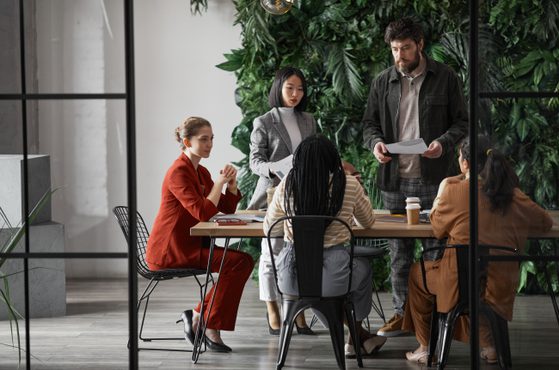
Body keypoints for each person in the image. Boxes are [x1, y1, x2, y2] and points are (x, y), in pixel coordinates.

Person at [401, 136, 554, 364]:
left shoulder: (454, 191)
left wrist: (444, 187)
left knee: (419, 273)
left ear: (465, 164)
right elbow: (545, 222)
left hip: (460, 285)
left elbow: (437, 227)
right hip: (499, 284)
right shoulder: (511, 195)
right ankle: (491, 346)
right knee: (477, 276)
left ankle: (425, 347)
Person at [362, 17, 469, 337]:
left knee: (436, 251)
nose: (399, 56)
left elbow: (462, 123)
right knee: (399, 253)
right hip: (395, 181)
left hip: (436, 181)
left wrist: (443, 143)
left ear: (420, 45)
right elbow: (369, 125)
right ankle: (401, 315)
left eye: (405, 48)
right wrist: (375, 145)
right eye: (394, 49)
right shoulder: (383, 81)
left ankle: (435, 316)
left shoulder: (445, 77)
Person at [264, 134, 387, 357]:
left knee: (314, 291)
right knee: (363, 268)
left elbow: (269, 227)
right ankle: (356, 337)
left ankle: (357, 336)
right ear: (333, 159)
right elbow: (368, 222)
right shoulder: (348, 183)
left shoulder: (287, 184)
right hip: (334, 276)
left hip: (293, 277)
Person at [146, 116, 255, 352]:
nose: (210, 144)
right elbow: (202, 212)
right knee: (238, 263)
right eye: (203, 139)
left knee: (240, 262)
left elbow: (225, 207)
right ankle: (207, 323)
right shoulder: (178, 172)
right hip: (171, 250)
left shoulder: (200, 171)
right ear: (187, 141)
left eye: (211, 138)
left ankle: (199, 315)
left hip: (190, 244)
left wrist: (231, 186)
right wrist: (218, 184)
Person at [247, 66, 317, 335]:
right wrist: (278, 166)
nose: (296, 94)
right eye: (290, 88)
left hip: (303, 196)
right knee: (271, 255)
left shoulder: (308, 120)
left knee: (299, 256)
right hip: (273, 196)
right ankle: (272, 308)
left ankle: (296, 310)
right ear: (279, 87)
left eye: (300, 89)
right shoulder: (263, 122)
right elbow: (255, 163)